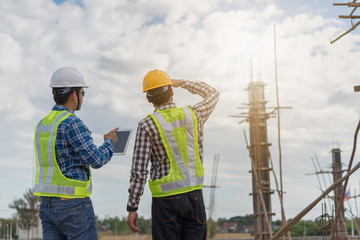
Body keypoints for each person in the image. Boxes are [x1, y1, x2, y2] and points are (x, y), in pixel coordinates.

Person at [127, 69, 219, 240]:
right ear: (171, 91)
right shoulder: (194, 114)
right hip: (195, 198)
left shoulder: (147, 125)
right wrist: (182, 82)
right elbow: (212, 93)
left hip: (165, 202)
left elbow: (139, 171)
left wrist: (132, 206)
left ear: (148, 99)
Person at [34, 66, 119, 240]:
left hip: (47, 205)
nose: (82, 97)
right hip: (72, 206)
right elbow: (96, 159)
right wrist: (110, 142)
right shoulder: (72, 123)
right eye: (82, 93)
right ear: (74, 95)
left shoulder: (42, 124)